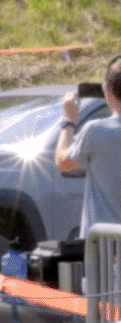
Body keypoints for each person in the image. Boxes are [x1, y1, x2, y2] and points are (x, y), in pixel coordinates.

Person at [56, 56, 121, 237]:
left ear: (106, 91)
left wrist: (68, 120)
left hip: (105, 244)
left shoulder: (97, 131)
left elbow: (63, 162)